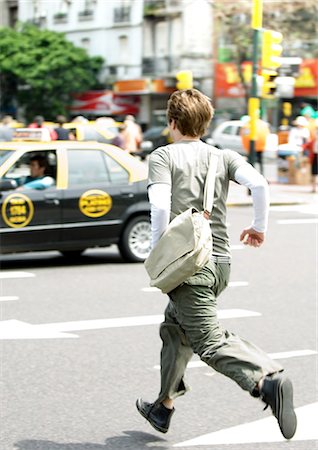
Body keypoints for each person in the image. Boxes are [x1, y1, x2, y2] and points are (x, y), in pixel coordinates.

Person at [136, 89, 297, 440]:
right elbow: (259, 183)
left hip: (187, 265)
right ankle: (163, 406)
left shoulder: (163, 156)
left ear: (172, 122)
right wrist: (259, 227)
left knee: (207, 340)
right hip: (220, 262)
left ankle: (265, 381)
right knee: (175, 330)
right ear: (206, 124)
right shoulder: (224, 156)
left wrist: (157, 250)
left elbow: (160, 207)